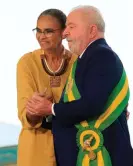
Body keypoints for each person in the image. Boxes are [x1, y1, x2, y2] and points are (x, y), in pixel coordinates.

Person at [26, 5, 133, 166]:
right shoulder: (85, 59)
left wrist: (50, 108)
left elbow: (92, 105)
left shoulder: (101, 56)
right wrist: (41, 113)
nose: (65, 33)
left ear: (92, 30)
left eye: (71, 26)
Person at [16, 8, 77, 166]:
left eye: (48, 31)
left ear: (64, 32)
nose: (41, 36)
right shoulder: (27, 63)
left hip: (71, 146)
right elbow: (26, 114)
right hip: (35, 149)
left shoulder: (77, 62)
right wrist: (34, 111)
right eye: (38, 30)